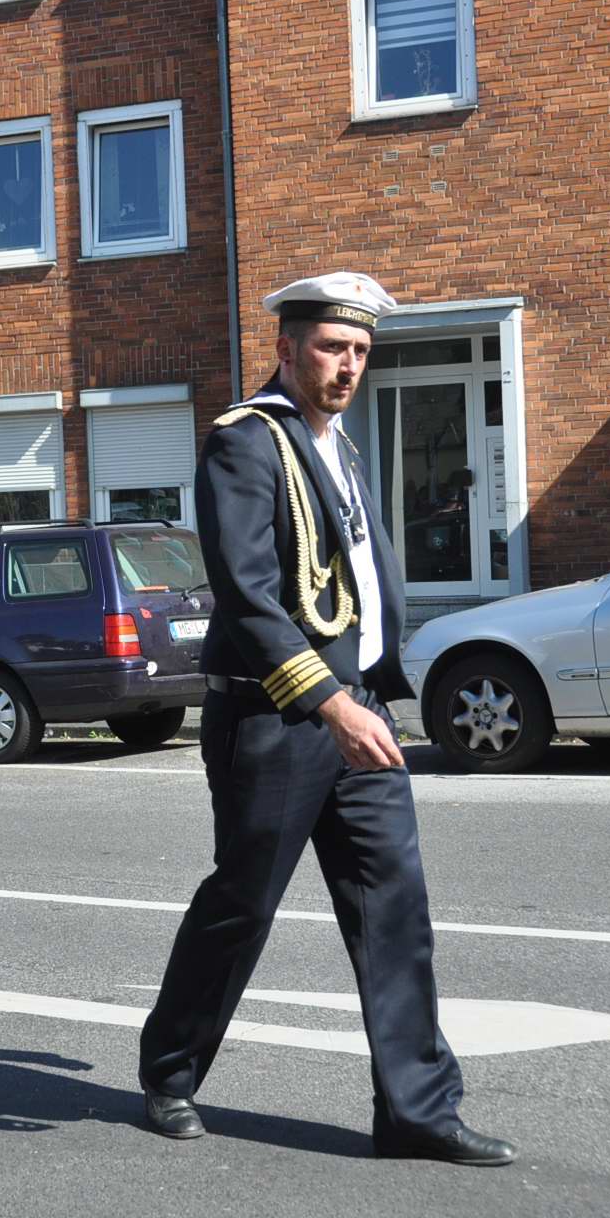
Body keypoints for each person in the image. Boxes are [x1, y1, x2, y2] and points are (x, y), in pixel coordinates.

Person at [137, 273, 515, 1167]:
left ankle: (417, 1110)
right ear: (286, 349)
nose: (347, 367)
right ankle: (170, 1072)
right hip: (278, 715)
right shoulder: (246, 442)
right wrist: (330, 702)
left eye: (360, 352)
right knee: (243, 904)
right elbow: (248, 594)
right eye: (331, 348)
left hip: (357, 710)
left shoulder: (340, 447)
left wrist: (369, 692)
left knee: (396, 908)